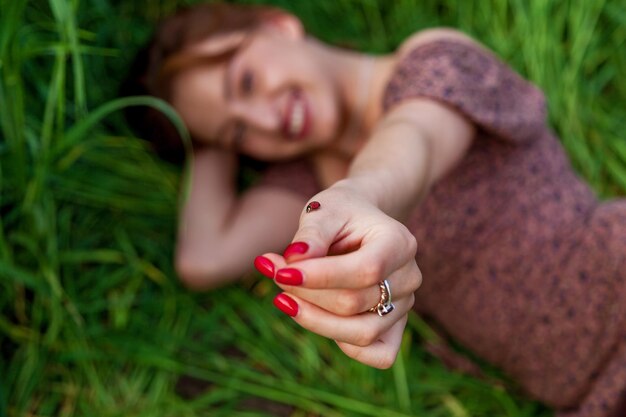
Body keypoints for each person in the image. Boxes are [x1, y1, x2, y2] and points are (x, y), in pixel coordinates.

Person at [122, 3, 626, 416]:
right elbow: (203, 257)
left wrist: (359, 197)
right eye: (240, 133)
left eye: (247, 81)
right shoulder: (306, 186)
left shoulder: (434, 60)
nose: (264, 120)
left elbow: (414, 141)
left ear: (277, 24)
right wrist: (201, 130)